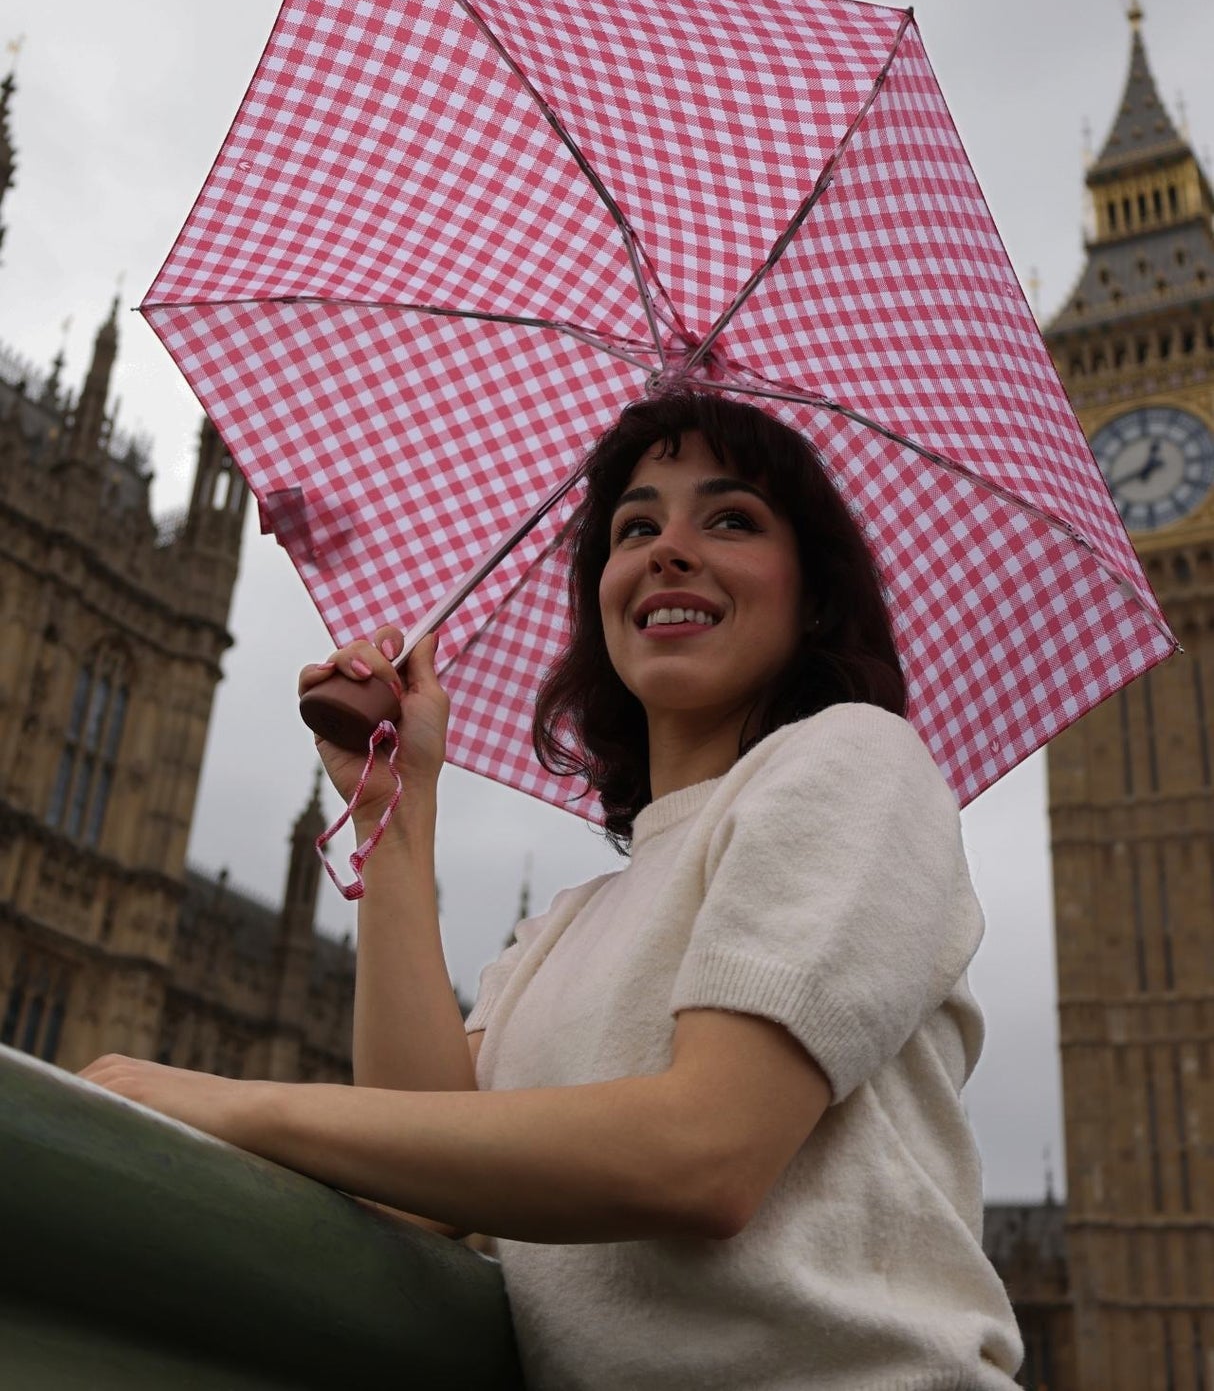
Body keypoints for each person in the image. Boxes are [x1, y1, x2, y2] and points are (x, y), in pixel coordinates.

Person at [82, 388, 1024, 1389]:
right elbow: (424, 1183)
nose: (669, 547)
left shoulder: (859, 762)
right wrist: (393, 814)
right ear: (600, 596)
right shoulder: (562, 930)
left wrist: (221, 1105)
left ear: (812, 596)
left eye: (730, 517)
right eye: (633, 526)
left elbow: (703, 1154)